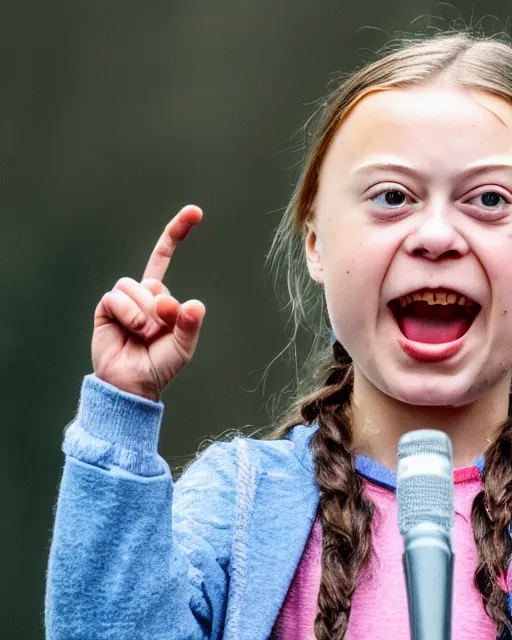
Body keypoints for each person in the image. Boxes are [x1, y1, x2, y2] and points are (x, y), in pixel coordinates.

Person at [45, 32, 512, 640]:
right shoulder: (240, 504)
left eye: (490, 199)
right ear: (316, 243)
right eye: (392, 197)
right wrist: (122, 415)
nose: (436, 235)